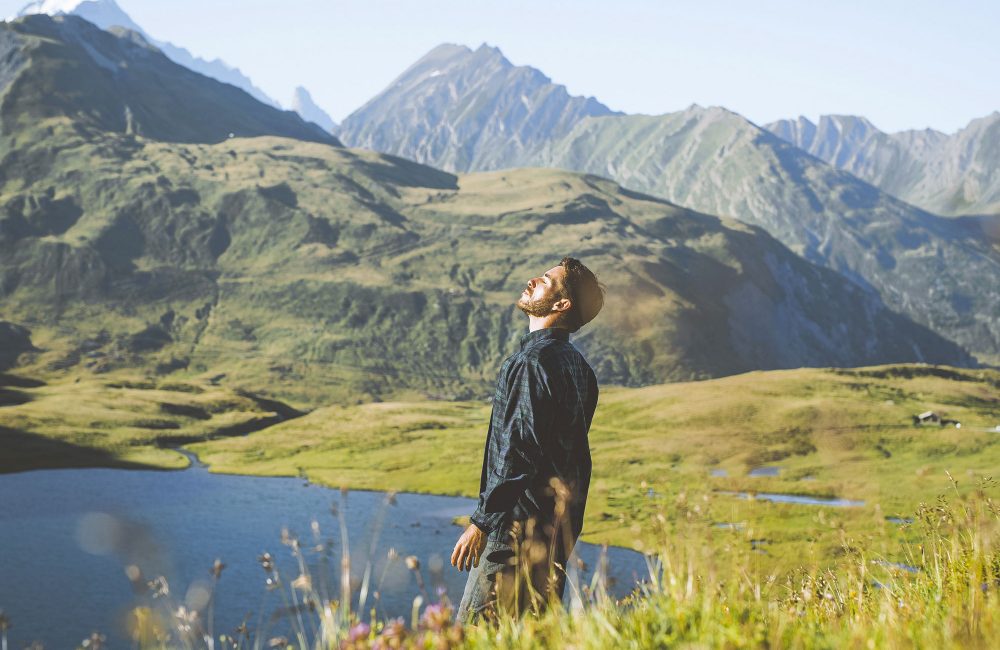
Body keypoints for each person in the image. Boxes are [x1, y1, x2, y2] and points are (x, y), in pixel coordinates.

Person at [451, 256, 604, 622]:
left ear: (561, 304)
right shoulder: (579, 367)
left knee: (473, 640)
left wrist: (482, 522)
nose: (534, 279)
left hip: (514, 534)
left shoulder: (532, 362)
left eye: (548, 280)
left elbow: (518, 450)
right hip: (554, 537)